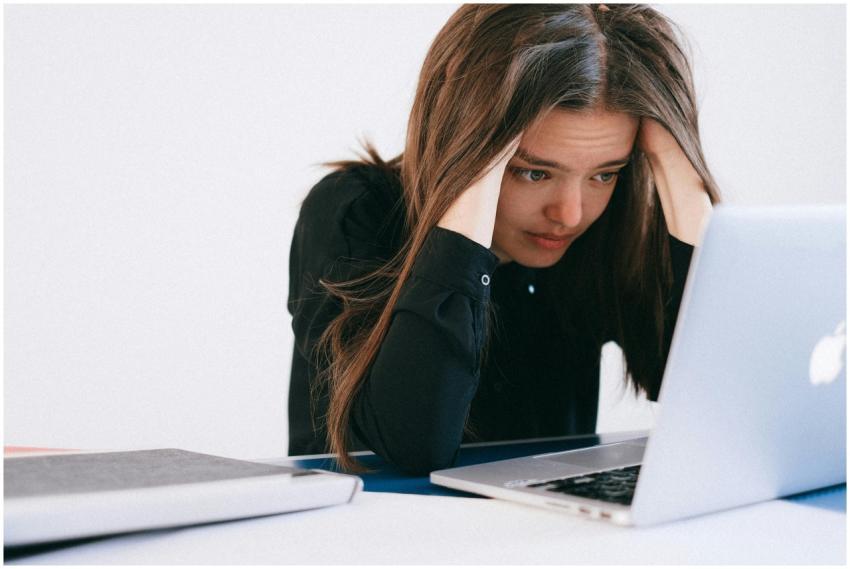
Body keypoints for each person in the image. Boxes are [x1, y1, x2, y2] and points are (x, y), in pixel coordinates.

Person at [288, 4, 721, 475]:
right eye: (533, 172)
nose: (570, 215)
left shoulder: (604, 229)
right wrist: (470, 183)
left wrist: (685, 177)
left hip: (546, 533)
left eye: (604, 174)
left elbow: (716, 401)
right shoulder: (354, 212)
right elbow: (414, 445)